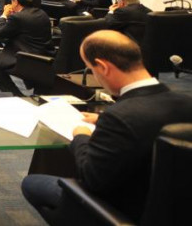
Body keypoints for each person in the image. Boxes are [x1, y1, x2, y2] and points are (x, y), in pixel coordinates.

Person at [21, 31, 192, 224]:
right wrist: (101, 119)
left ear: (103, 67)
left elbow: (91, 177)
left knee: (32, 183)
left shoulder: (119, 116)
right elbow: (150, 123)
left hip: (124, 208)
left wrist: (81, 136)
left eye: (91, 69)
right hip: (172, 206)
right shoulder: (185, 102)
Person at [0, 0, 53, 95]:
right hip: (43, 58)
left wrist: (4, 15)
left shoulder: (17, 17)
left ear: (15, 2)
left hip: (25, 59)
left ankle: (14, 93)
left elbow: (0, 33)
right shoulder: (42, 13)